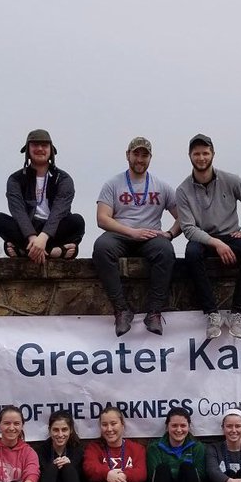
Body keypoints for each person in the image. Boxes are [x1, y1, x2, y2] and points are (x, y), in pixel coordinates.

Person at [93, 136, 181, 336]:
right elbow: (102, 219)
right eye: (136, 154)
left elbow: (184, 217)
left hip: (151, 236)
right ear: (128, 155)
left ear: (150, 158)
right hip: (121, 234)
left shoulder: (162, 186)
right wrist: (132, 231)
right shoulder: (112, 184)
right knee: (101, 248)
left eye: (144, 155)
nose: (140, 159)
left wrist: (169, 233)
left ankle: (154, 312)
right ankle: (122, 310)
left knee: (166, 251)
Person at [176, 133, 241, 340]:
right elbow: (187, 228)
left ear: (213, 154)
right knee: (191, 253)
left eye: (205, 153)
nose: (201, 158)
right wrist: (216, 243)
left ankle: (236, 312)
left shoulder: (231, 180)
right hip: (203, 237)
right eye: (197, 154)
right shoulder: (183, 190)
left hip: (231, 234)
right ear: (189, 156)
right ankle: (212, 313)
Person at [0, 129, 85, 262]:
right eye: (35, 145)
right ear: (28, 149)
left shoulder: (63, 179)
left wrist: (43, 237)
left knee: (77, 221)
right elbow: (18, 211)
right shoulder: (16, 179)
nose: (40, 149)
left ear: (51, 150)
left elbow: (59, 211)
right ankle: (56, 251)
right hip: (27, 228)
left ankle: (24, 250)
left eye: (44, 145)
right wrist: (32, 237)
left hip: (54, 228)